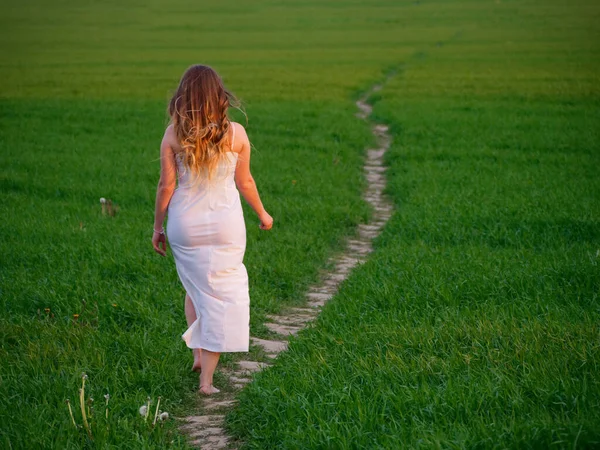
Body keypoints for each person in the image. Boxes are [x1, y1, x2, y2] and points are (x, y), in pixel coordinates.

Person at [151, 65, 273, 396]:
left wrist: (158, 227)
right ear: (219, 96)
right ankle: (207, 382)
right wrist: (262, 213)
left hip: (184, 226)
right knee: (220, 296)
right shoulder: (236, 134)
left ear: (184, 97)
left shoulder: (173, 135)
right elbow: (244, 181)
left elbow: (166, 185)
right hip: (226, 225)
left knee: (195, 289)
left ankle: (196, 354)